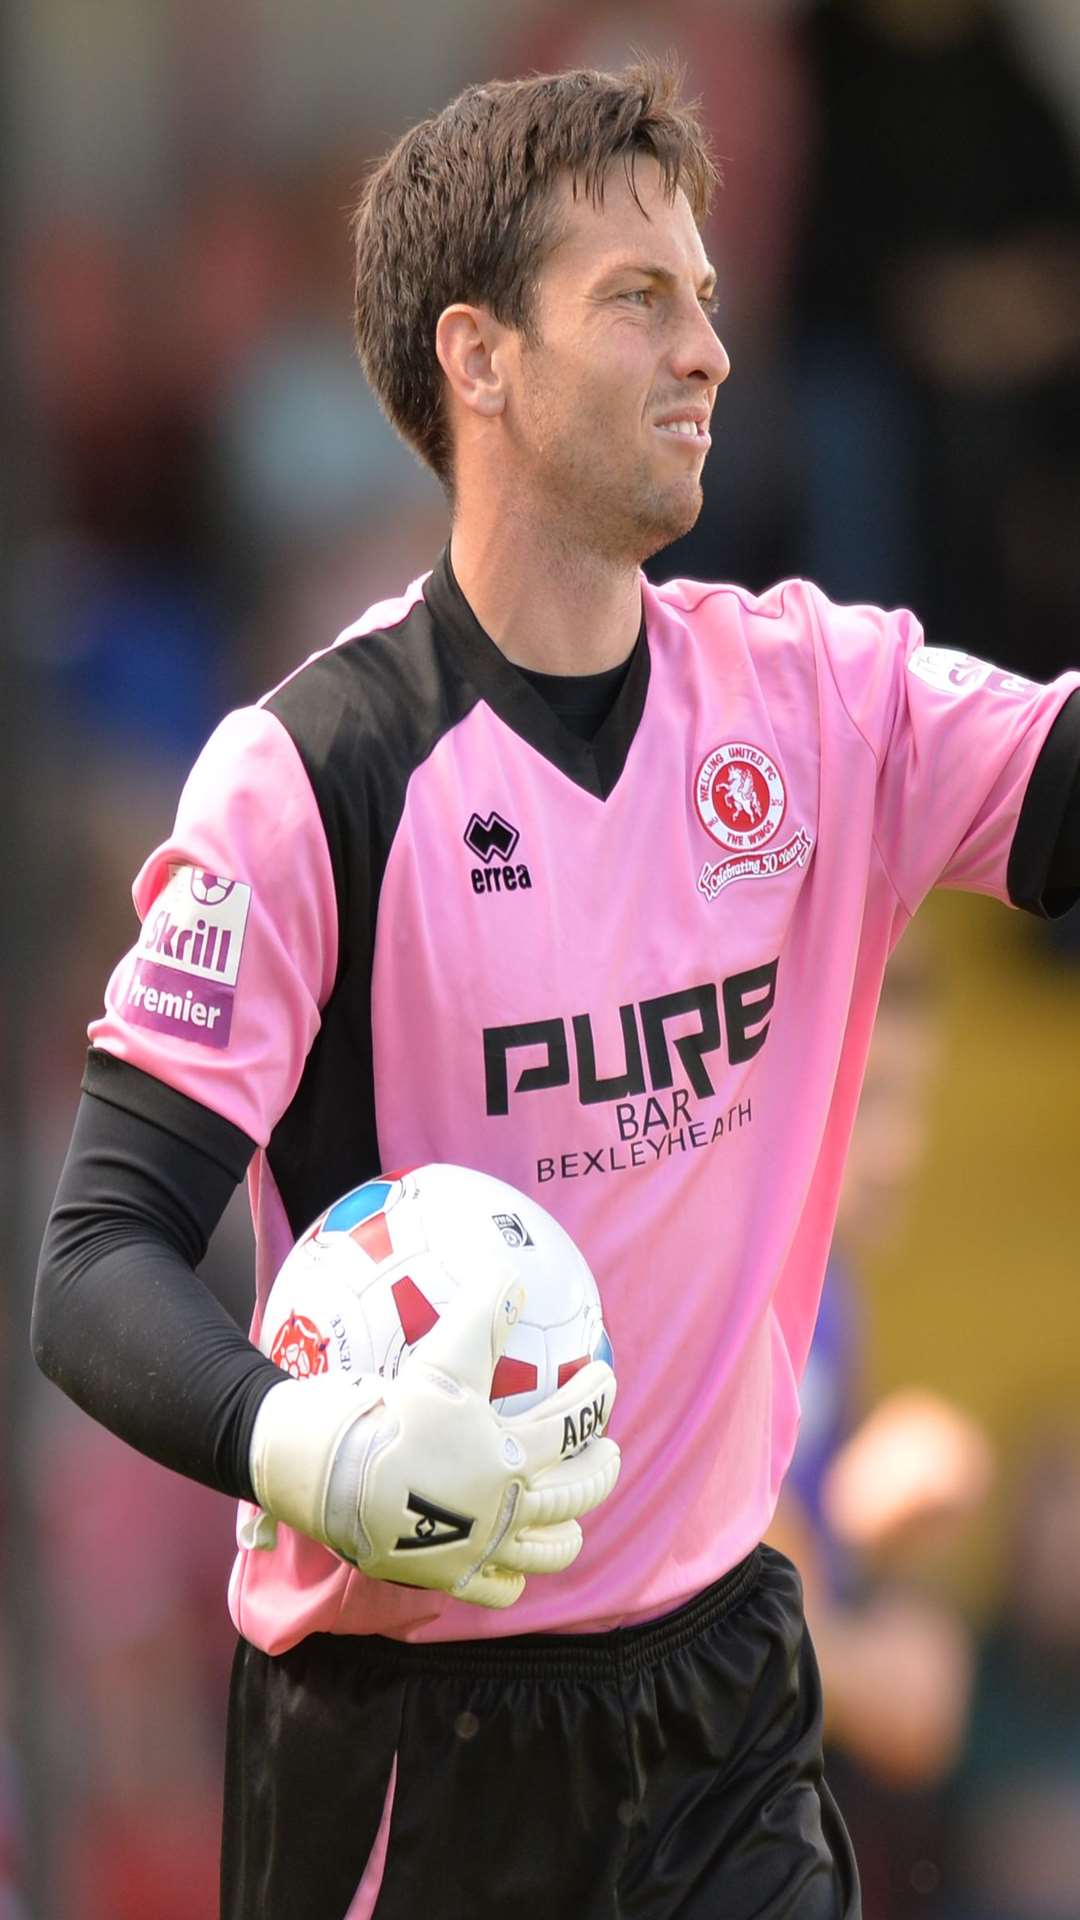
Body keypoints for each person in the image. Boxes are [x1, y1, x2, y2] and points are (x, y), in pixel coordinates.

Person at [32, 56, 1080, 1920]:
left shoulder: (822, 706)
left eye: (711, 301)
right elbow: (99, 1258)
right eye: (640, 299)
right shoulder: (313, 776)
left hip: (722, 1707)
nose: (711, 353)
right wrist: (321, 1449)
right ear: (480, 357)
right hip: (405, 1732)